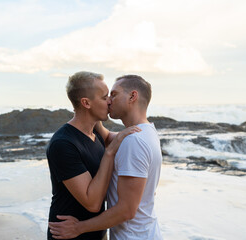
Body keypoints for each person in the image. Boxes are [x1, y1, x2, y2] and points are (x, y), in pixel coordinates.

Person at [49, 75, 163, 239]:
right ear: (86, 103)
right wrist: (108, 152)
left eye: (113, 95)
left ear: (132, 96)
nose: (109, 101)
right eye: (105, 97)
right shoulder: (146, 133)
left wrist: (80, 227)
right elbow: (109, 137)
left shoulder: (134, 140)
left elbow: (126, 210)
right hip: (71, 232)